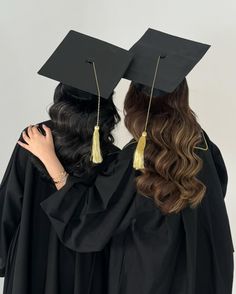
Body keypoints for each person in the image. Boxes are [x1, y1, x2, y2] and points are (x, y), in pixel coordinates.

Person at [23, 29, 234, 294]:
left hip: (146, 279)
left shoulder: (138, 157)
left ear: (135, 101)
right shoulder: (203, 145)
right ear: (181, 98)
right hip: (204, 276)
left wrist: (51, 161)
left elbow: (89, 221)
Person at [0, 30, 132, 294]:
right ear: (105, 104)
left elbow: (9, 204)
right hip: (84, 272)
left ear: (61, 94)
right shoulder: (113, 157)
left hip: (30, 262)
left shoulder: (33, 139)